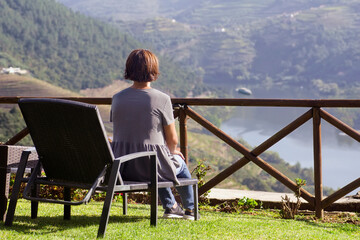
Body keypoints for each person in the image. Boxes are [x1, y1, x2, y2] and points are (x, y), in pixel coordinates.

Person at [110, 49, 195, 220]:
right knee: (174, 161)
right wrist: (173, 151)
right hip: (150, 168)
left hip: (122, 168)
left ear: (129, 69)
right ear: (153, 70)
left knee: (159, 159)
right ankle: (190, 210)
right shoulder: (161, 99)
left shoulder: (117, 98)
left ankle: (171, 206)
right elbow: (172, 140)